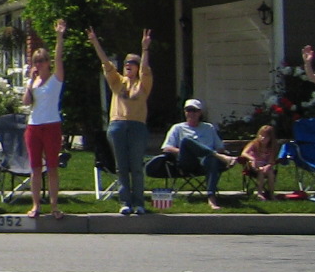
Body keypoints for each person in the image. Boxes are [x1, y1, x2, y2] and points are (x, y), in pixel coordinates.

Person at [89, 26, 154, 216]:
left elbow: (145, 70)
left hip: (137, 127)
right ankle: (125, 202)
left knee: (136, 167)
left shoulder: (143, 85)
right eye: (126, 63)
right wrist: (95, 42)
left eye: (132, 63)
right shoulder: (118, 82)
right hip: (117, 125)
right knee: (121, 167)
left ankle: (139, 203)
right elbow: (106, 63)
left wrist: (145, 49)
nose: (128, 65)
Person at [21, 19, 67, 220]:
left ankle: (54, 206)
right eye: (35, 61)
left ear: (47, 62)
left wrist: (59, 36)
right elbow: (26, 102)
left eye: (41, 61)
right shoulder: (34, 81)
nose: (38, 64)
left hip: (51, 125)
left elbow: (59, 58)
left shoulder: (55, 79)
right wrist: (30, 81)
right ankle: (36, 205)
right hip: (34, 126)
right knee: (35, 168)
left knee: (53, 167)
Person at [161, 100, 241, 210]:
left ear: (200, 113)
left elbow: (220, 147)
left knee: (211, 160)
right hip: (188, 162)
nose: (191, 113)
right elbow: (166, 148)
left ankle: (211, 197)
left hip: (206, 162)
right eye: (189, 110)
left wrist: (205, 151)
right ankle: (219, 157)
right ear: (185, 112)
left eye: (195, 110)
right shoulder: (177, 128)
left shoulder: (208, 128)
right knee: (186, 141)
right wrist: (189, 150)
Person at [237, 124, 279, 201]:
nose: (262, 138)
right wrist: (252, 158)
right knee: (261, 171)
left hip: (266, 166)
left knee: (270, 173)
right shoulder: (254, 143)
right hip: (253, 166)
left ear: (270, 138)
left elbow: (271, 161)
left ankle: (271, 194)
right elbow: (244, 153)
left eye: (266, 137)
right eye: (261, 135)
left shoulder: (272, 147)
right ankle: (259, 193)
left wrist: (267, 167)